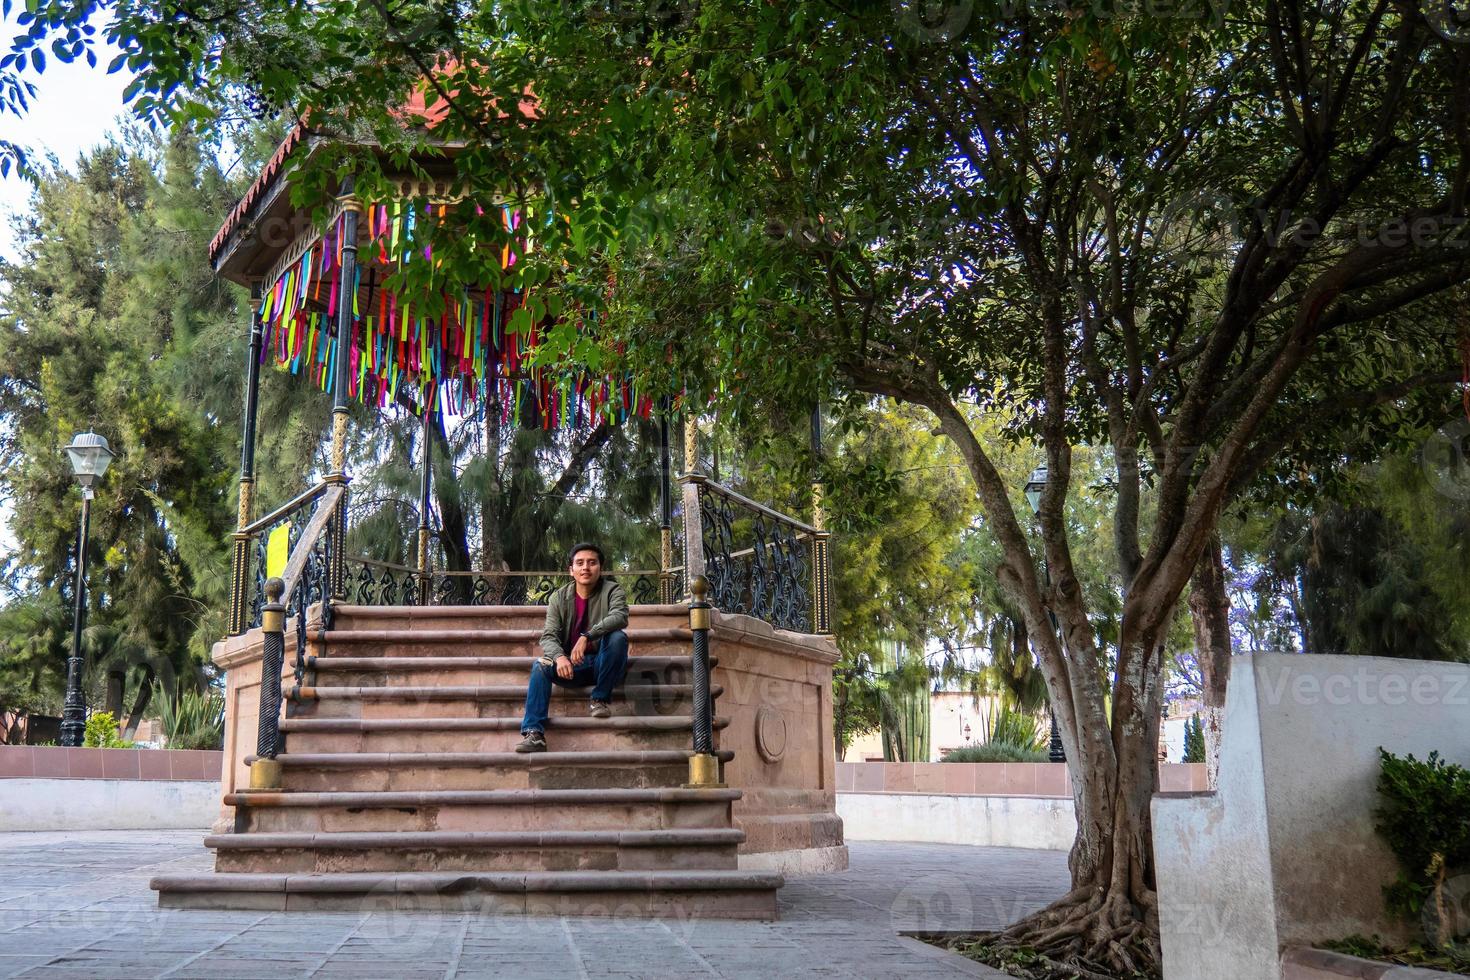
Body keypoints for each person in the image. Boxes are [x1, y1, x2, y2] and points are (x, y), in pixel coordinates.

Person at [515, 542, 630, 753]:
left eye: (592, 563)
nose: (586, 567)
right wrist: (559, 657)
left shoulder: (612, 590)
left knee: (617, 638)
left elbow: (620, 617)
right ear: (571, 570)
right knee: (540, 666)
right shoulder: (559, 598)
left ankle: (599, 698)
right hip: (572, 666)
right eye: (580, 563)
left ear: (600, 568)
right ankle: (534, 733)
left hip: (605, 663)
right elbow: (548, 636)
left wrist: (587, 636)